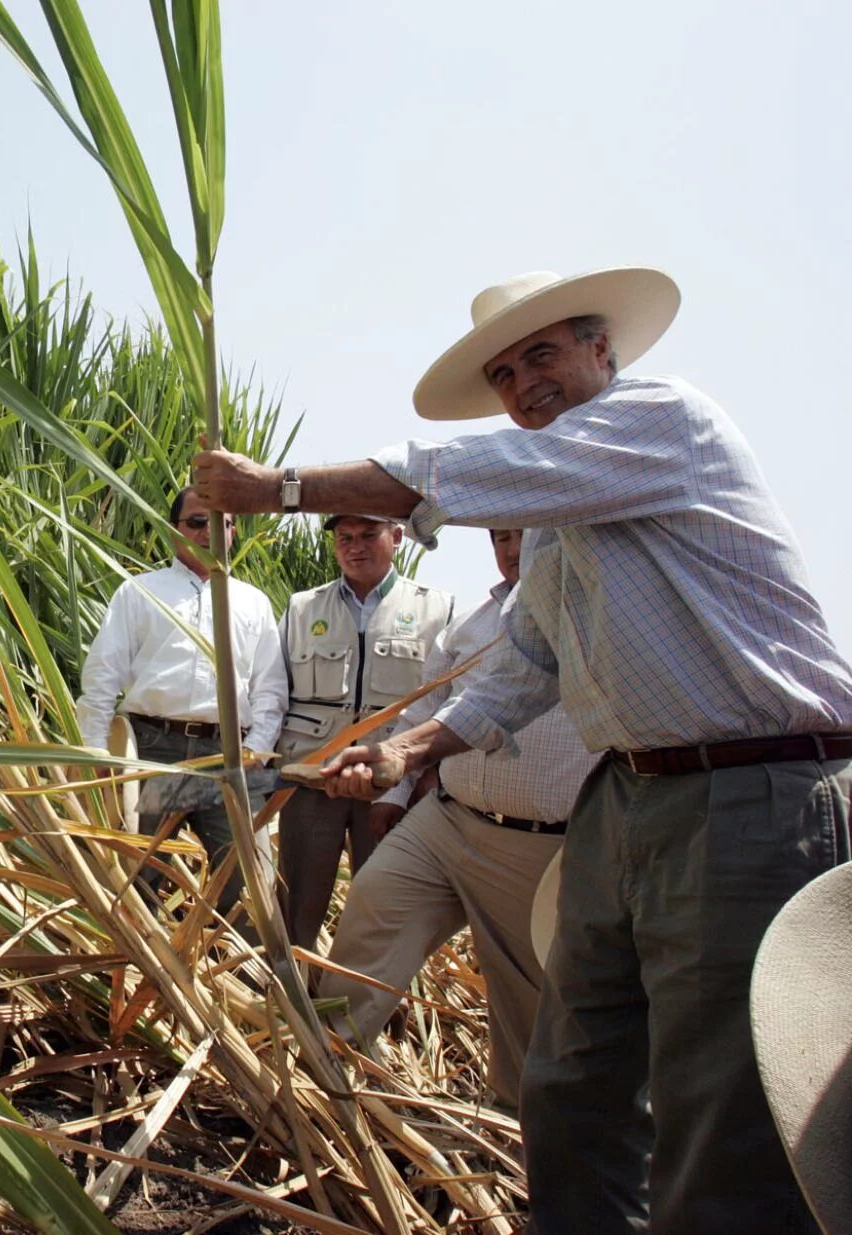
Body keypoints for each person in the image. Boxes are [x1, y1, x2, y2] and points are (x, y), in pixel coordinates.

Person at [189, 266, 852, 1235]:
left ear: (601, 350)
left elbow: (461, 474)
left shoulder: (665, 419)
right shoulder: (550, 529)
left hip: (754, 790)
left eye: (541, 353)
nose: (523, 382)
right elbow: (523, 666)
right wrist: (406, 751)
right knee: (571, 1077)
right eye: (502, 371)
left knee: (721, 1109)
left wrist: (281, 487)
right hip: (628, 800)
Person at [319, 527, 596, 1111]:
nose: (511, 548)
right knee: (371, 906)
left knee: (526, 997)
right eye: (500, 537)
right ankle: (326, 1075)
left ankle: (513, 1138)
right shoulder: (471, 624)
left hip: (536, 846)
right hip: (446, 819)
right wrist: (394, 798)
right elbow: (426, 704)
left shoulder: (593, 619)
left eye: (523, 536)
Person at [77, 486, 287, 920]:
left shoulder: (254, 603)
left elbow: (270, 688)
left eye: (221, 523)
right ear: (175, 530)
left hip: (228, 759)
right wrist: (97, 752)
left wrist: (258, 751)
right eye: (197, 522)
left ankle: (239, 979)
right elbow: (102, 674)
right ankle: (133, 975)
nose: (209, 532)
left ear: (232, 532)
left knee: (246, 883)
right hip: (154, 752)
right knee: (137, 877)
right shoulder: (140, 593)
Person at [274, 514, 452, 956]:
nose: (355, 546)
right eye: (344, 538)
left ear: (396, 537)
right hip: (313, 785)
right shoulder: (301, 608)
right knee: (295, 909)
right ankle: (291, 1007)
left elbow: (453, 702)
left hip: (393, 789)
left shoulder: (438, 609)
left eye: (368, 535)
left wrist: (430, 777)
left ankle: (378, 1016)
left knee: (387, 918)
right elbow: (274, 692)